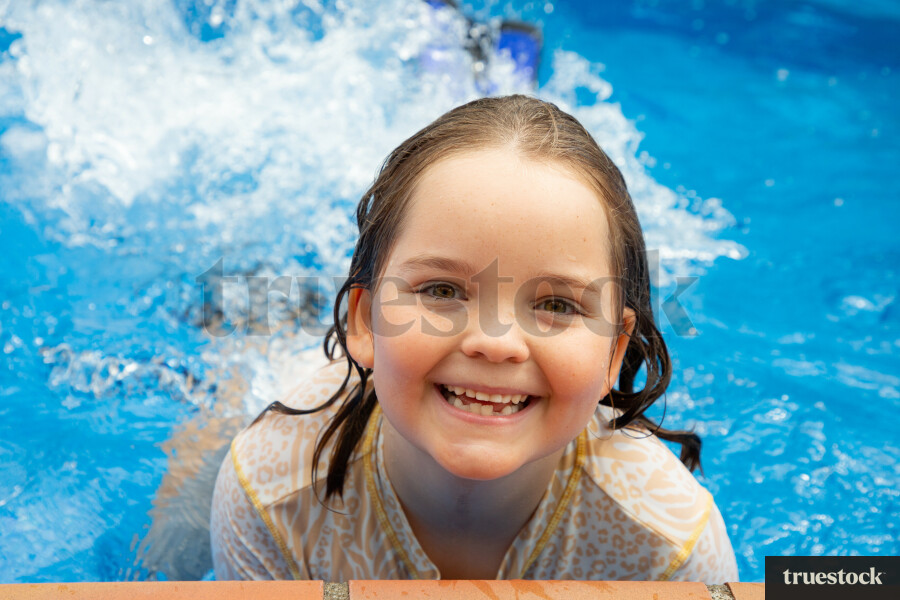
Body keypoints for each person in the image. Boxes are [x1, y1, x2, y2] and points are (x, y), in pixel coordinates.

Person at [210, 95, 739, 582]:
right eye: (441, 290)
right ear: (366, 321)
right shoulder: (270, 493)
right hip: (318, 403)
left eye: (556, 305)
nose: (496, 342)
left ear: (613, 351)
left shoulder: (667, 549)